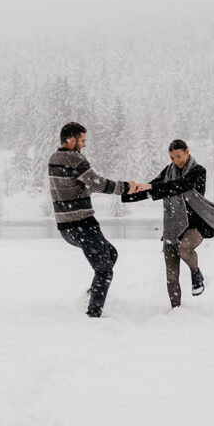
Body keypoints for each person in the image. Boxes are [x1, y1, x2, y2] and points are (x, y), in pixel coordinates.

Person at [123, 139, 214, 308]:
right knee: (171, 276)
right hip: (173, 227)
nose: (175, 161)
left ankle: (196, 273)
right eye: (172, 158)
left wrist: (152, 187)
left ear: (187, 152)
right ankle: (176, 311)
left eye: (178, 156)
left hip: (196, 224)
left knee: (184, 249)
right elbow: (152, 189)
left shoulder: (198, 171)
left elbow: (181, 186)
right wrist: (125, 193)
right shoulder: (168, 171)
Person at [48, 122, 140, 318]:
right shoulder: (74, 159)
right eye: (82, 140)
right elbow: (96, 183)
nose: (84, 144)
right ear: (71, 140)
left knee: (111, 254)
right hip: (83, 224)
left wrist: (87, 187)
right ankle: (93, 314)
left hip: (66, 228)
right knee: (105, 270)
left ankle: (91, 296)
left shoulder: (54, 159)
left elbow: (74, 186)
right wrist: (125, 187)